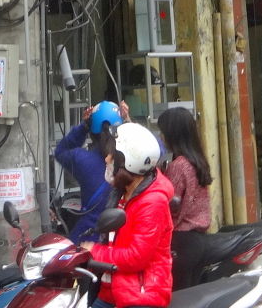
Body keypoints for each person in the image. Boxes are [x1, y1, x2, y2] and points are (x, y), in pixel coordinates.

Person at [82, 122, 174, 308]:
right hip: (111, 290)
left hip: (139, 295)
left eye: (113, 156)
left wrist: (94, 251)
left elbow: (136, 256)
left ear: (129, 162)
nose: (107, 160)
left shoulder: (152, 201)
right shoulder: (123, 191)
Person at [54, 101, 126, 241]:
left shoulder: (83, 160)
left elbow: (61, 151)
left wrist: (83, 127)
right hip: (123, 240)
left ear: (92, 133)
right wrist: (129, 121)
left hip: (90, 240)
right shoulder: (131, 160)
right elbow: (156, 151)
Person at [157, 107, 212, 289]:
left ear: (173, 134)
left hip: (181, 241)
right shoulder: (197, 161)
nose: (161, 137)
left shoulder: (178, 166)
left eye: (163, 132)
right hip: (198, 242)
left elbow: (168, 206)